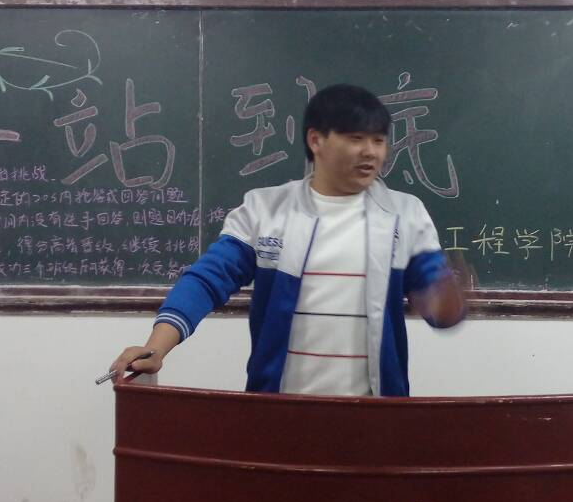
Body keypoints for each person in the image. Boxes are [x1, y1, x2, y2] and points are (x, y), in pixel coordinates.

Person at [109, 83, 466, 396]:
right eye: (356, 139)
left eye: (379, 140)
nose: (371, 152)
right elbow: (207, 279)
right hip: (278, 413)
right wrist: (156, 347)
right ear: (316, 140)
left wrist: (449, 301)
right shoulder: (265, 210)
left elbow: (438, 306)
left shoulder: (406, 214)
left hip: (375, 415)